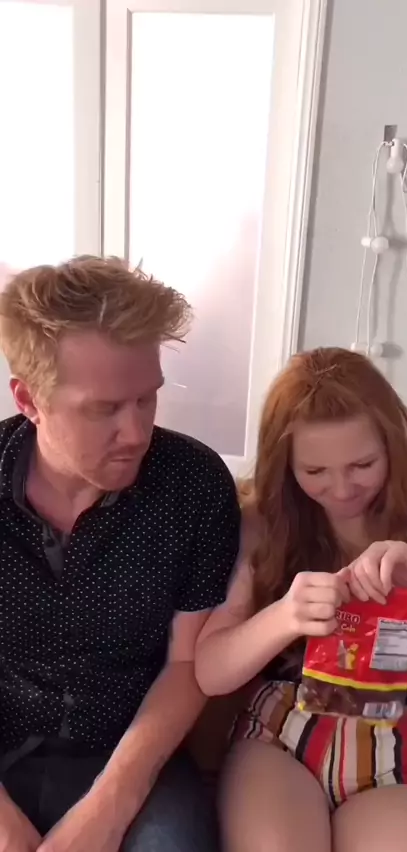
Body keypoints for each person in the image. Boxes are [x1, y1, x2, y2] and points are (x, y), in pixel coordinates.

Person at [195, 346, 407, 852]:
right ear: (286, 465)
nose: (342, 489)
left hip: (394, 738)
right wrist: (284, 616)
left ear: (392, 446)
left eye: (362, 464)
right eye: (315, 471)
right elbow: (211, 670)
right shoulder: (263, 520)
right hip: (281, 735)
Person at [0, 256, 240, 852]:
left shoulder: (194, 485)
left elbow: (187, 664)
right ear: (29, 399)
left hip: (131, 756)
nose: (136, 434)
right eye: (103, 409)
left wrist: (109, 810)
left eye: (146, 400)